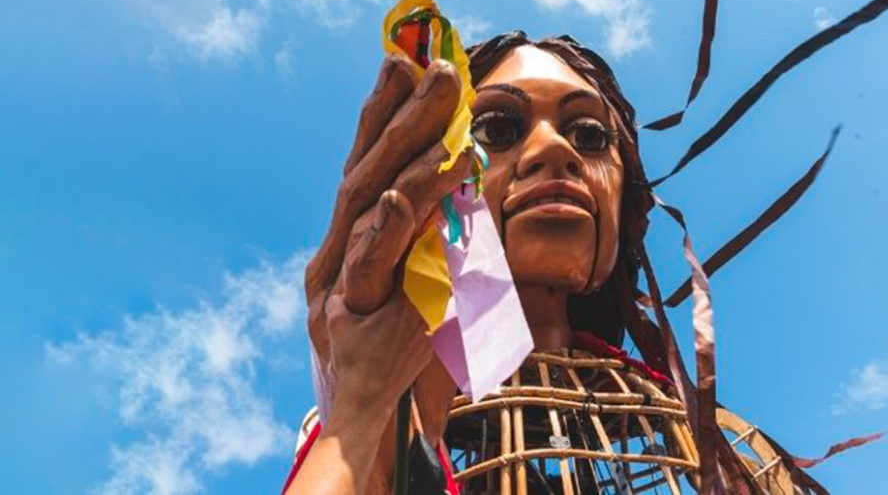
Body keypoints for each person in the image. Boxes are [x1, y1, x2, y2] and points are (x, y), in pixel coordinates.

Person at [283, 32, 802, 495]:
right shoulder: (374, 411)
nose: (554, 151)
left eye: (591, 136)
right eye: (497, 129)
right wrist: (359, 415)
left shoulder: (716, 441)